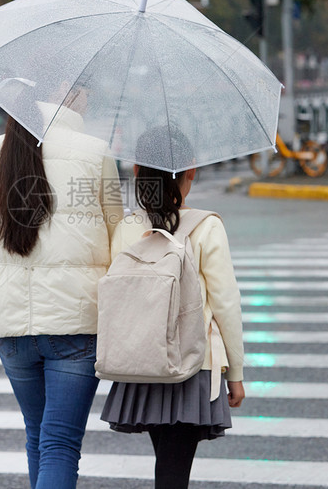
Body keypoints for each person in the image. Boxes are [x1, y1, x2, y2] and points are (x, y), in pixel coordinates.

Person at [0, 102, 123, 489]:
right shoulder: (95, 151)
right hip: (74, 321)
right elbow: (117, 234)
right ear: (66, 95)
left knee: (38, 435)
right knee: (59, 444)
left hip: (10, 323)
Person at [100, 127, 245, 489]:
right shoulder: (206, 227)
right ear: (191, 170)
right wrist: (236, 372)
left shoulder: (128, 228)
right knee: (173, 471)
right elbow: (226, 303)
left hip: (143, 361)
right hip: (194, 365)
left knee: (168, 464)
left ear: (136, 172)